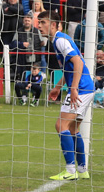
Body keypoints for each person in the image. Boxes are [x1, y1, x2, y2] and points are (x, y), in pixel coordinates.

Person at [37, 11, 94, 181]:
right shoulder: (58, 40)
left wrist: (74, 88)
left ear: (53, 25)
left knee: (60, 125)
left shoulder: (60, 40)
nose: (39, 26)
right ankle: (82, 169)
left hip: (81, 88)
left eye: (42, 22)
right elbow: (69, 67)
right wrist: (57, 87)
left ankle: (70, 170)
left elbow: (78, 62)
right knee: (73, 129)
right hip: (86, 87)